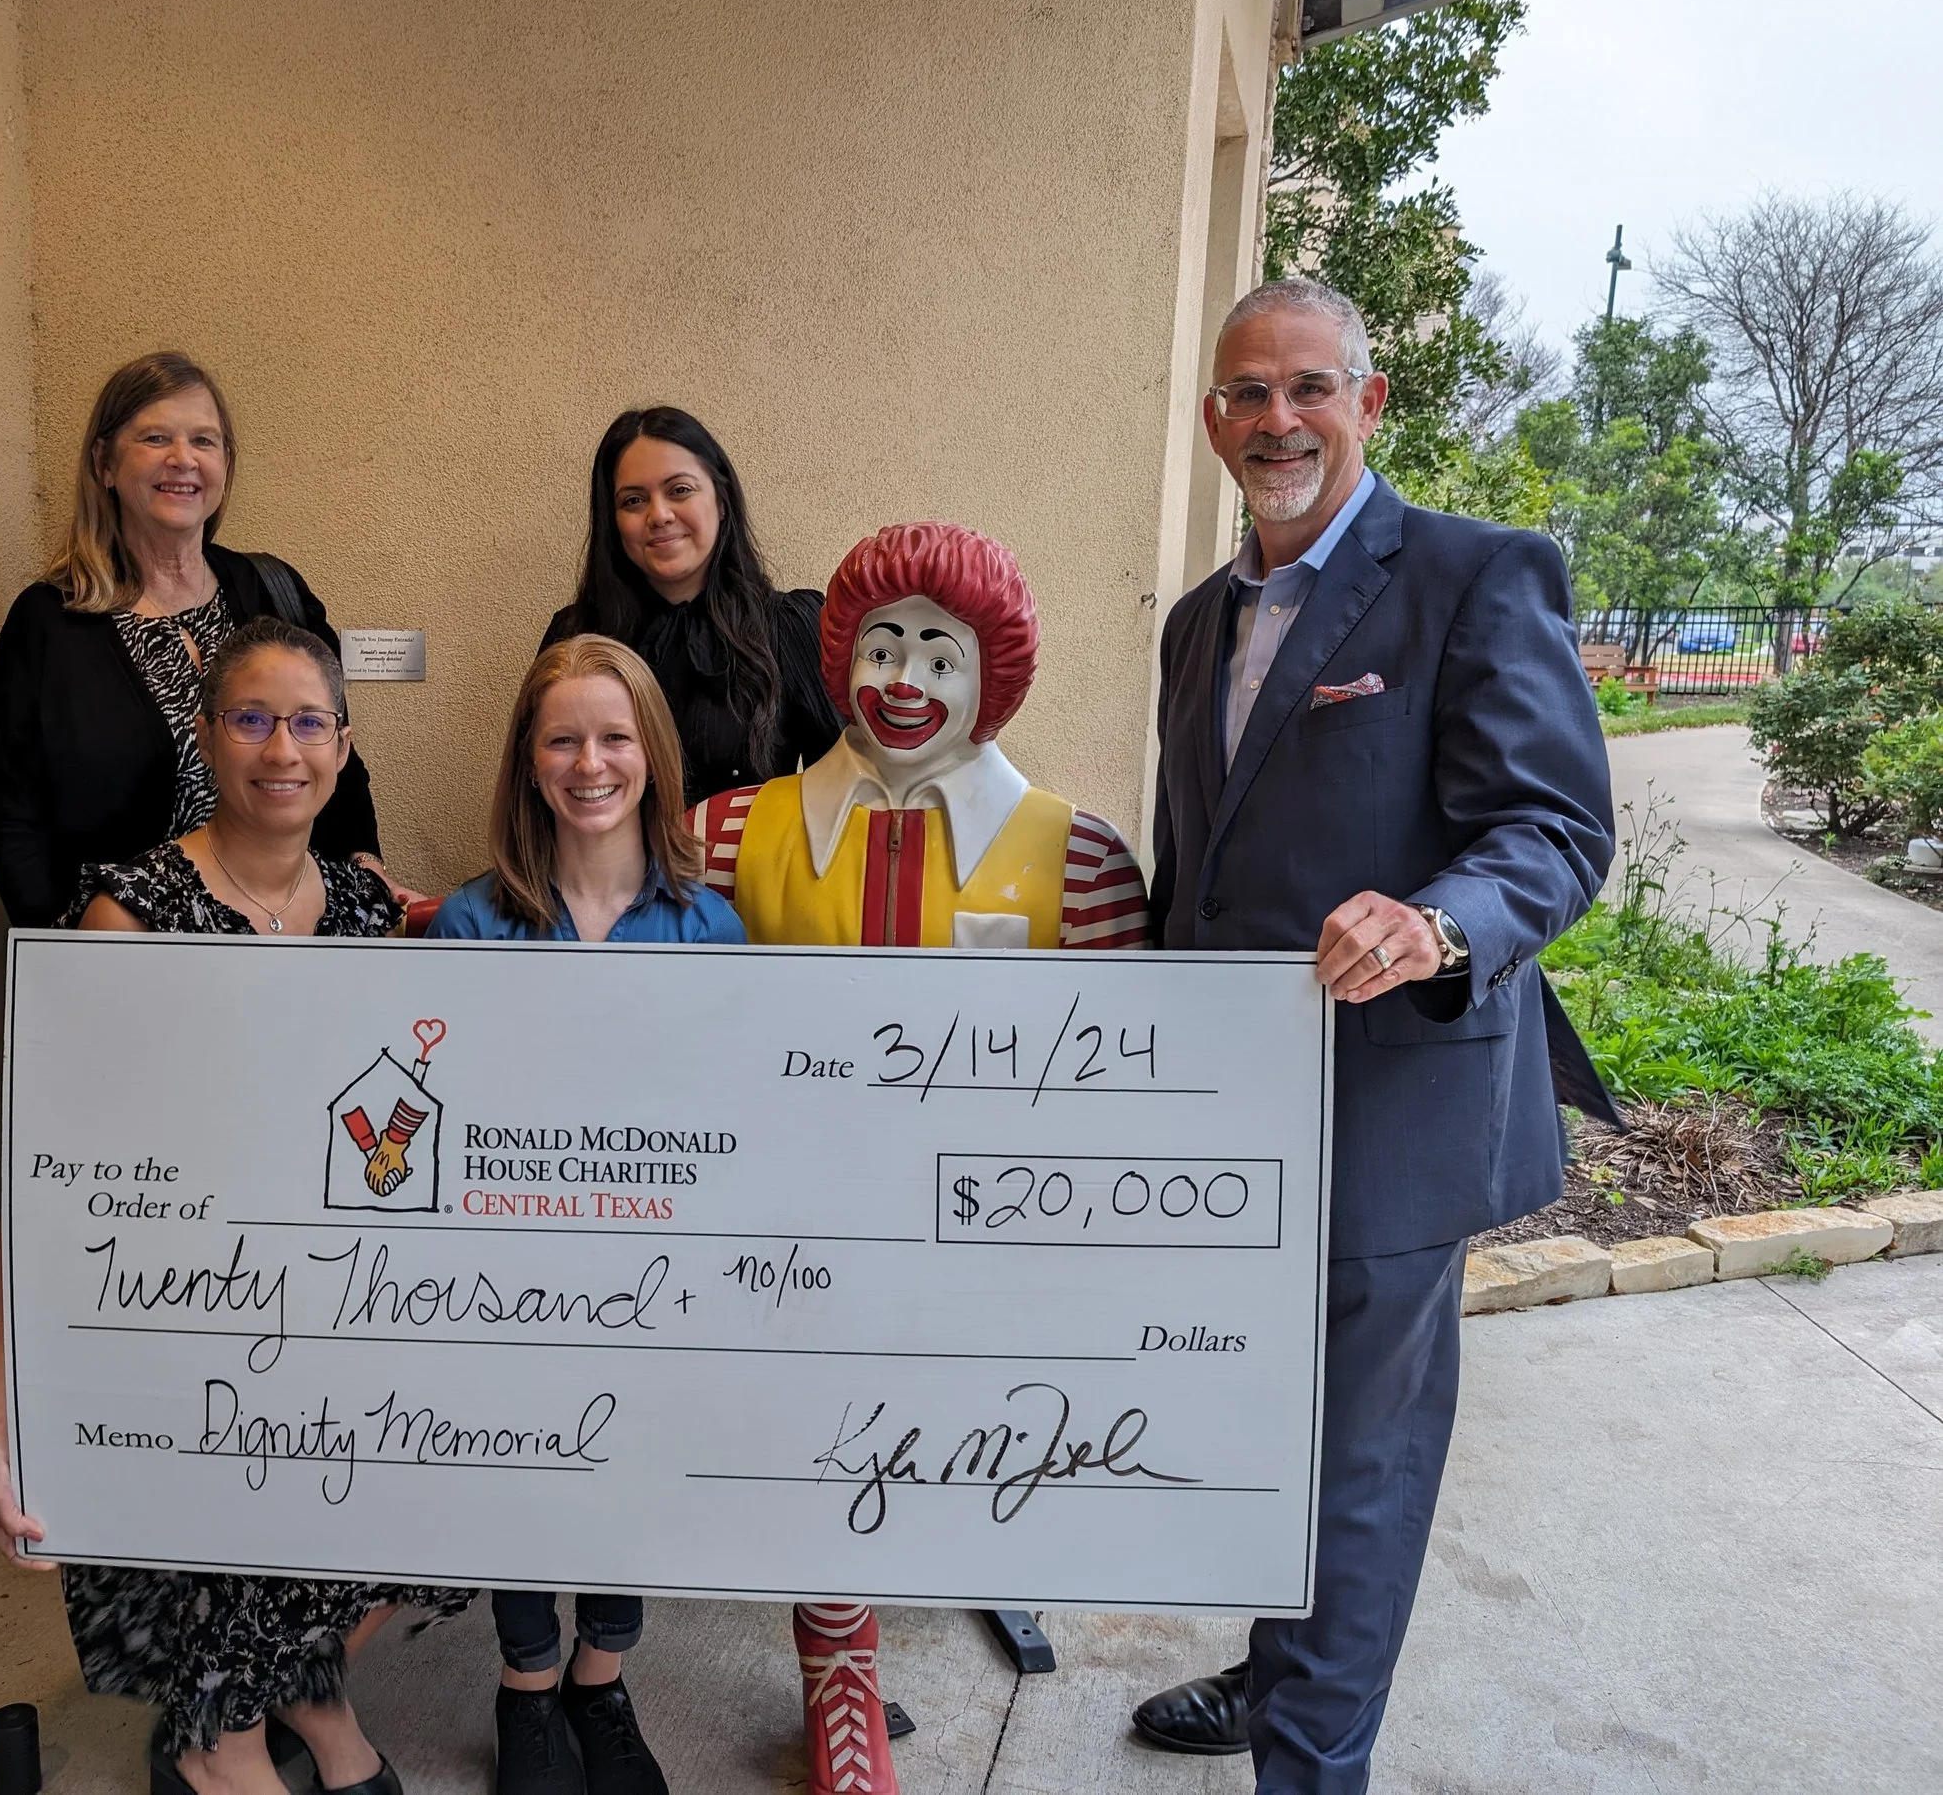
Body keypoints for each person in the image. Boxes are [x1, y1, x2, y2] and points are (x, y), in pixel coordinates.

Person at [1130, 277, 1614, 1791]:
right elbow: (1194, 864)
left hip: (1396, 1107)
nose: (1279, 421)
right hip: (1242, 1111)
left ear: (1369, 401)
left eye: (1309, 389)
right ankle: (1280, 1671)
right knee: (1275, 1433)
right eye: (1248, 394)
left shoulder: (1472, 576)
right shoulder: (1200, 623)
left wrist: (1437, 920)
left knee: (1365, 1469)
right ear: (1215, 420)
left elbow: (1554, 826)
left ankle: (1310, 1764)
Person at [691, 520, 1148, 1795]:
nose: (905, 680)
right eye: (883, 646)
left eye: (939, 655)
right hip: (786, 1233)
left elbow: (1129, 1092)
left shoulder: (1084, 859)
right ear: (839, 661)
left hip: (984, 1243)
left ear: (990, 678)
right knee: (813, 1449)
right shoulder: (724, 835)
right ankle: (839, 1679)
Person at [0, 618, 461, 1795]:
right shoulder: (131, 913)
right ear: (206, 735)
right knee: (226, 1440)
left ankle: (277, 1688)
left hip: (321, 1311)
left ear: (343, 748)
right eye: (250, 717)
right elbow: (46, 1160)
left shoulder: (360, 908)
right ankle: (222, 1741)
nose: (279, 747)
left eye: (306, 722)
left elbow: (391, 1112)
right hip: (164, 1317)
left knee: (447, 1479)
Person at [430, 634, 737, 1793]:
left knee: (623, 1467)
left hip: (652, 1276)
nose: (589, 761)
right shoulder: (473, 922)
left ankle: (600, 1679)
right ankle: (523, 1687)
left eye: (614, 736)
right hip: (511, 1274)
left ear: (652, 756)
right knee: (521, 1463)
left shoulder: (708, 926)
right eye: (562, 737)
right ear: (528, 760)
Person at [0, 351, 386, 930]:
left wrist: (364, 867)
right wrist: (67, 950)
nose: (182, 459)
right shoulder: (49, 623)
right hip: (128, 953)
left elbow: (333, 752)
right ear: (104, 463)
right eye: (155, 438)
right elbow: (9, 821)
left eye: (204, 440)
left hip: (279, 933)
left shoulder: (273, 591)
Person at [542, 406, 841, 807]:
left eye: (679, 490)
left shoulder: (790, 627)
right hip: (609, 871)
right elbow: (544, 785)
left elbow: (844, 788)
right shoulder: (575, 636)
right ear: (613, 521)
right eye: (633, 500)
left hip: (748, 869)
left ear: (721, 500)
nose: (659, 515)